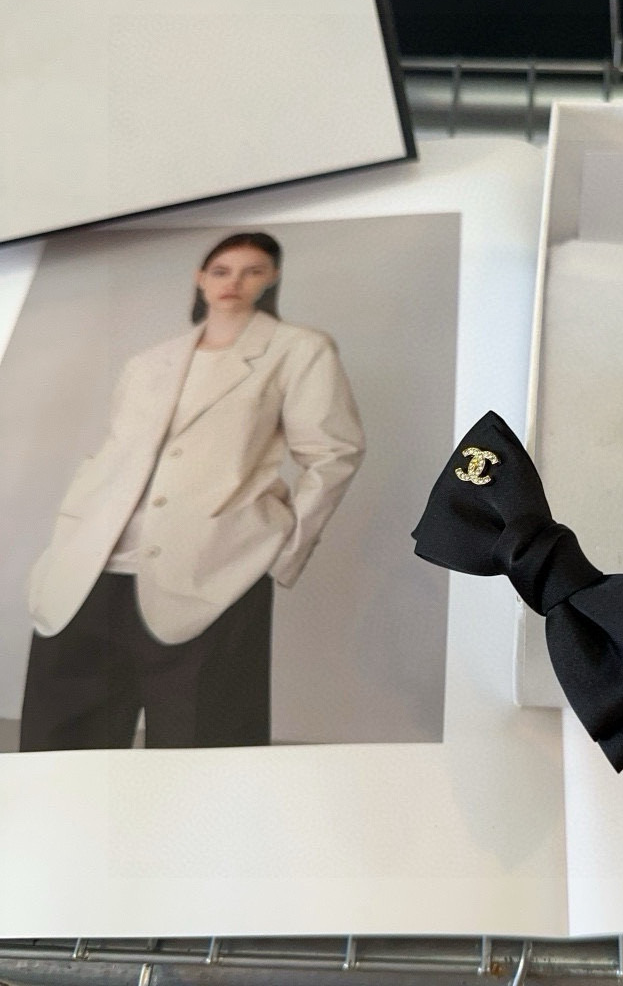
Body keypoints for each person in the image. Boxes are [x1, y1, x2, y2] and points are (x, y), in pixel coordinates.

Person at [20, 232, 365, 751]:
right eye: (222, 270)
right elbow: (115, 454)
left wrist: (282, 551)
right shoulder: (149, 361)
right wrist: (66, 537)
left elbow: (333, 452)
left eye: (253, 270)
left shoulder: (299, 349)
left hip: (211, 568)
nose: (235, 282)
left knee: (204, 743)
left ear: (272, 278)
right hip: (91, 570)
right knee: (63, 743)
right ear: (201, 278)